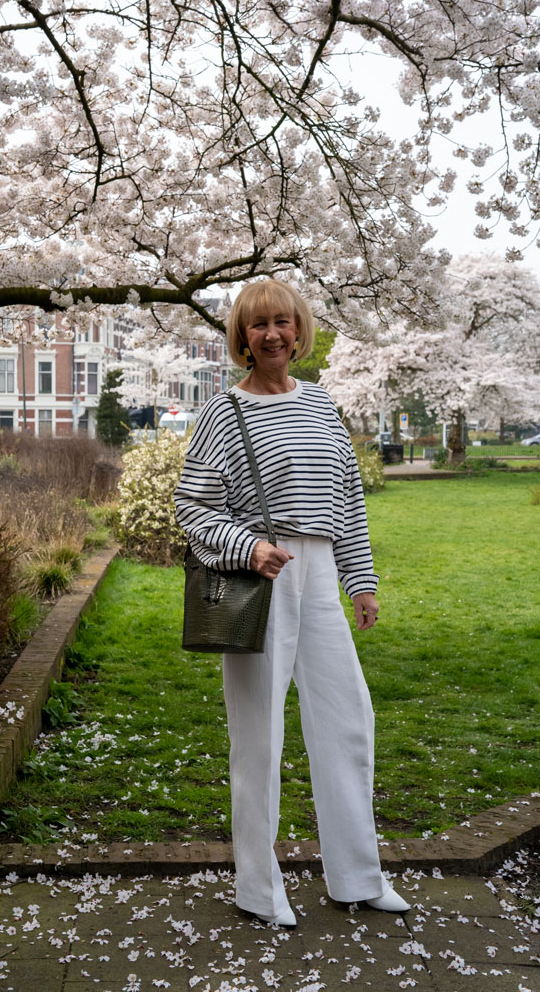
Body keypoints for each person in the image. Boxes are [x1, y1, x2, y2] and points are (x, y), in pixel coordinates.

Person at [174, 279, 410, 927]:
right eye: (258, 325)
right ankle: (257, 887)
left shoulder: (320, 404)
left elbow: (345, 501)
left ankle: (356, 877)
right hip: (261, 579)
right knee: (258, 737)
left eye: (282, 321)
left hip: (321, 570)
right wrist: (247, 547)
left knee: (347, 721)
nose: (272, 334)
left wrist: (359, 581)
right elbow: (191, 504)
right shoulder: (225, 411)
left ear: (298, 330)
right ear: (242, 338)